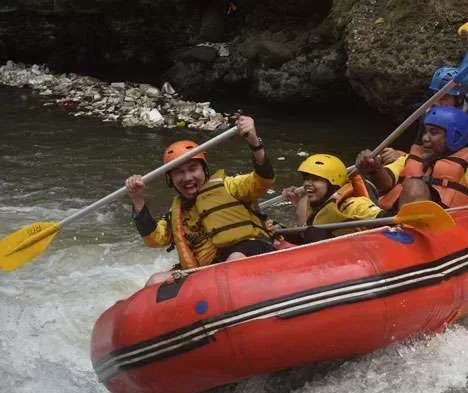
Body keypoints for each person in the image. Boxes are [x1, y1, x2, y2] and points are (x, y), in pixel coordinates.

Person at [125, 115, 275, 286]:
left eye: (192, 169)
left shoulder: (229, 185)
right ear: (170, 179)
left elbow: (263, 180)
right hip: (206, 269)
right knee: (154, 281)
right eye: (178, 173)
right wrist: (138, 200)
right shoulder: (176, 213)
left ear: (204, 170)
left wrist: (255, 142)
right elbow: (153, 239)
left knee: (234, 259)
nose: (187, 177)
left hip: (247, 249)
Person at [355, 105, 468, 210]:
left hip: (450, 229)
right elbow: (385, 183)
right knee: (413, 185)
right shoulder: (412, 158)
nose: (425, 138)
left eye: (434, 133)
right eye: (426, 131)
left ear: (454, 136)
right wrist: (375, 169)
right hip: (399, 227)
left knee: (414, 186)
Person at [282, 154, 382, 243]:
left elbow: (383, 218)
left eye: (316, 179)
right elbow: (305, 237)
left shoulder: (353, 204)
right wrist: (277, 229)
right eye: (307, 179)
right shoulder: (315, 205)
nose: (307, 184)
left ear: (333, 184)